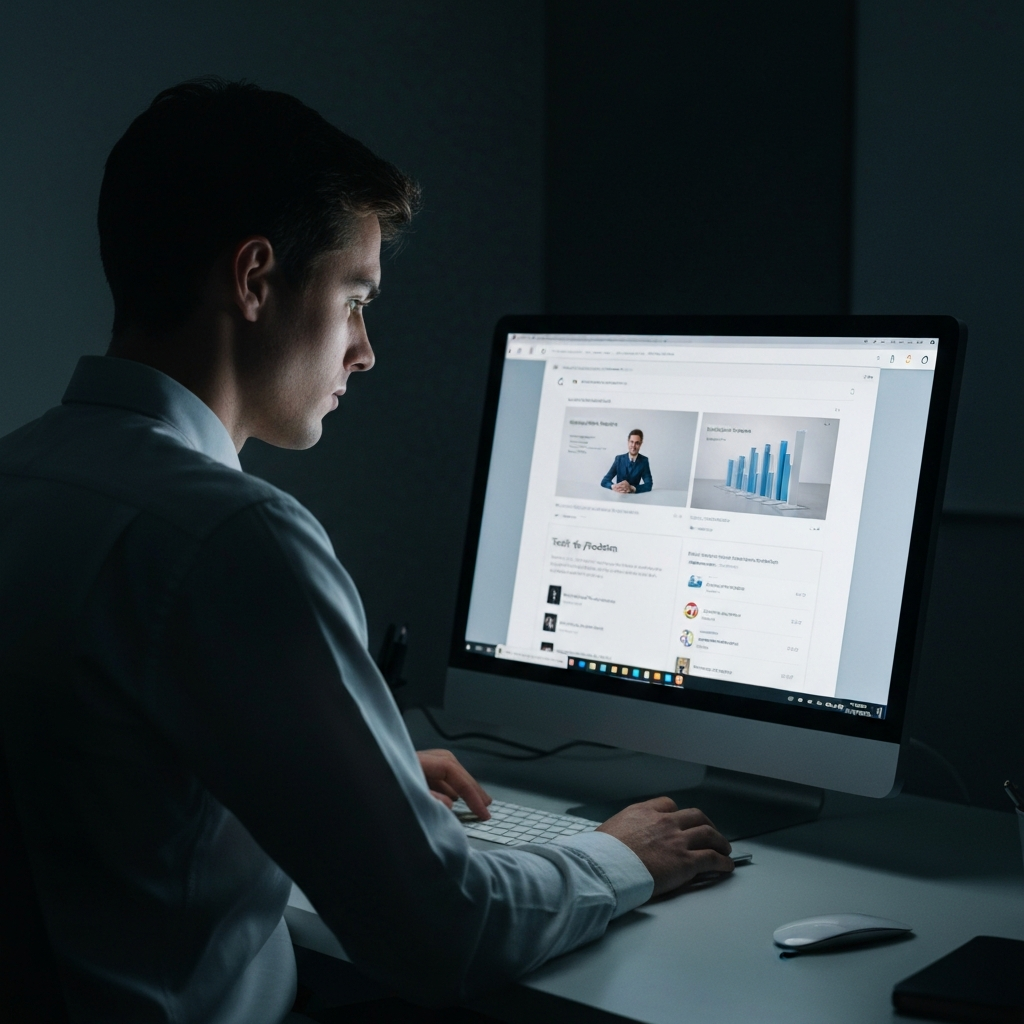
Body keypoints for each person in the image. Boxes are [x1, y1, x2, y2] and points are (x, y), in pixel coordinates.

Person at [0, 80, 732, 1023]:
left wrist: (344, 774)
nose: (366, 350)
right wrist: (618, 857)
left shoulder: (23, 478)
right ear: (255, 279)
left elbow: (98, 801)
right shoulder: (230, 534)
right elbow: (441, 933)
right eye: (355, 298)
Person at [601, 429, 653, 493]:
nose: (633, 446)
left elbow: (649, 485)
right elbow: (605, 481)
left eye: (637, 443)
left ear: (641, 444)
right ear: (628, 442)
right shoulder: (618, 459)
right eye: (631, 442)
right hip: (619, 497)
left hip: (635, 499)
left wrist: (632, 488)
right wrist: (614, 486)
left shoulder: (644, 461)